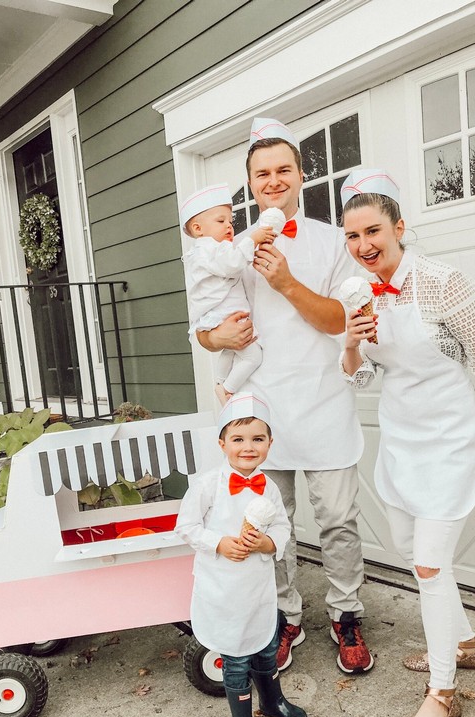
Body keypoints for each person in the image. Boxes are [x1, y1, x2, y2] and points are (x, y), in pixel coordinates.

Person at [196, 118, 374, 675]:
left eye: (283, 170)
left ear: (302, 174)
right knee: (267, 522)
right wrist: (213, 338)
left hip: (323, 404)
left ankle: (346, 615)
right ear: (250, 184)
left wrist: (286, 283)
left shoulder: (329, 241)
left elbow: (340, 321)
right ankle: (283, 617)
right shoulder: (230, 246)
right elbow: (204, 321)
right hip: (259, 412)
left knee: (340, 521)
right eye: (261, 173)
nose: (273, 181)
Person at [339, 168, 475, 717]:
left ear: (399, 227)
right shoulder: (356, 294)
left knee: (430, 566)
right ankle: (463, 643)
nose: (363, 246)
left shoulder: (443, 282)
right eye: (352, 237)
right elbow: (361, 378)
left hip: (451, 440)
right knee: (412, 555)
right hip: (402, 440)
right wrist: (352, 339)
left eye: (373, 231)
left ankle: (442, 692)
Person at [175, 392, 307, 717]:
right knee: (235, 658)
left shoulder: (271, 487)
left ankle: (274, 700)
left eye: (257, 439)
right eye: (238, 439)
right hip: (223, 589)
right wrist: (219, 543)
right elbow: (186, 527)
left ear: (269, 443)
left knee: (266, 648)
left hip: (258, 588)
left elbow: (282, 528)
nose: (248, 447)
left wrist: (267, 542)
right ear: (222, 443)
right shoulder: (205, 485)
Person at [180, 183, 276, 405]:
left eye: (230, 221)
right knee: (253, 356)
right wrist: (253, 239)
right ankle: (227, 390)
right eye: (221, 221)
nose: (229, 226)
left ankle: (220, 382)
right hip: (225, 312)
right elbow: (232, 264)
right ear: (197, 229)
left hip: (219, 313)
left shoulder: (205, 250)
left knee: (232, 351)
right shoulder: (211, 249)